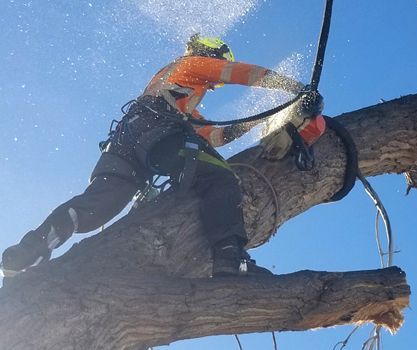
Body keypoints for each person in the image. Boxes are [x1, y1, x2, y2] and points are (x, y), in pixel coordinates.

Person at [1, 34, 324, 278]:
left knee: (95, 207)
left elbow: (210, 136)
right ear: (210, 53)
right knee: (221, 177)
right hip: (159, 134)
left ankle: (28, 252)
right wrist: (296, 89)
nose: (212, 89)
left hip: (125, 144)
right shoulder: (192, 64)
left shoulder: (172, 89)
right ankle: (229, 257)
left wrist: (256, 121)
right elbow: (240, 73)